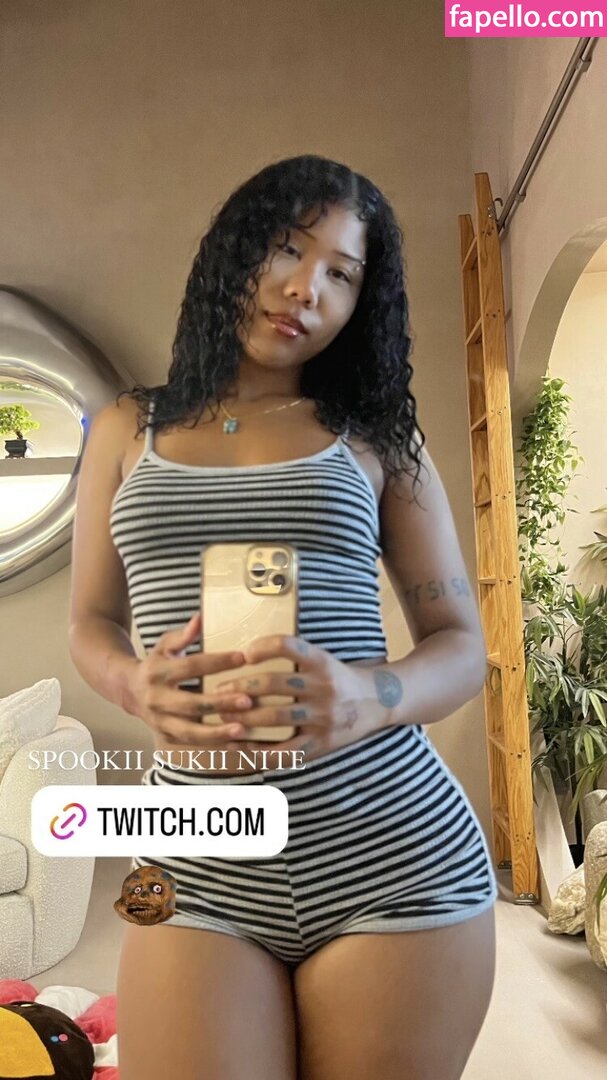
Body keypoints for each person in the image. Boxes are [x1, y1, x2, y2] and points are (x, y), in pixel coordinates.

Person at [69, 154, 498, 1080]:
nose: (308, 288)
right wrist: (133, 684)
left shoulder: (378, 438)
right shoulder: (125, 428)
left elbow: (463, 649)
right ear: (233, 250)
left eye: (342, 274)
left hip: (389, 844)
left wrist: (369, 696)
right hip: (195, 854)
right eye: (287, 249)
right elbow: (91, 625)